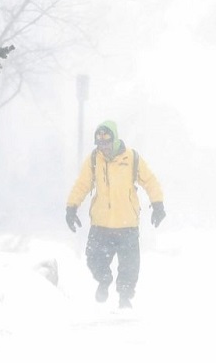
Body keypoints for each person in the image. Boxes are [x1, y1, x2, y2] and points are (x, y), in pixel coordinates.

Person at [65, 120, 166, 308]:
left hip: (127, 224)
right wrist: (71, 208)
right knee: (93, 259)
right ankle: (104, 280)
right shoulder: (94, 160)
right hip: (101, 224)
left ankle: (125, 298)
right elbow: (82, 184)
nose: (103, 147)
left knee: (129, 266)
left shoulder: (132, 158)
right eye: (100, 143)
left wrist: (157, 204)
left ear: (115, 139)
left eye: (106, 142)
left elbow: (150, 181)